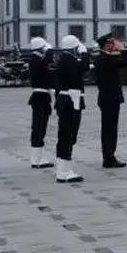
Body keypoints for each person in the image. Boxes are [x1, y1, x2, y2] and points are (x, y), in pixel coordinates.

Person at [52, 35, 86, 183]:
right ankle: (63, 172)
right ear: (74, 48)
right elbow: (83, 68)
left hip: (66, 99)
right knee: (68, 134)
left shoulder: (63, 59)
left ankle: (64, 169)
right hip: (69, 100)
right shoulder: (68, 60)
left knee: (66, 135)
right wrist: (85, 53)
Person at [93, 34, 127, 168]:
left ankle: (109, 156)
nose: (113, 45)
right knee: (110, 129)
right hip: (109, 99)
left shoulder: (104, 58)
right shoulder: (104, 58)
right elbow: (124, 62)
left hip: (108, 98)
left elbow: (123, 63)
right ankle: (108, 158)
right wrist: (122, 49)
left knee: (110, 129)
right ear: (105, 45)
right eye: (110, 43)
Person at [26, 36, 55, 169]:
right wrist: (49, 50)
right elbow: (46, 61)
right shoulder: (37, 60)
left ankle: (37, 157)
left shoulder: (36, 60)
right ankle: (36, 159)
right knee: (38, 127)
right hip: (40, 97)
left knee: (40, 128)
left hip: (42, 96)